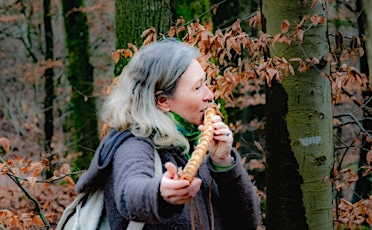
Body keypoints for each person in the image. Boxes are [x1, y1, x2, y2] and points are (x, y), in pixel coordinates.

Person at [74, 39, 260, 229]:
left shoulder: (196, 142)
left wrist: (224, 164)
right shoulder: (133, 145)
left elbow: (247, 223)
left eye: (205, 83)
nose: (209, 95)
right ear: (163, 101)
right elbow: (130, 193)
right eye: (197, 88)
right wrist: (160, 193)